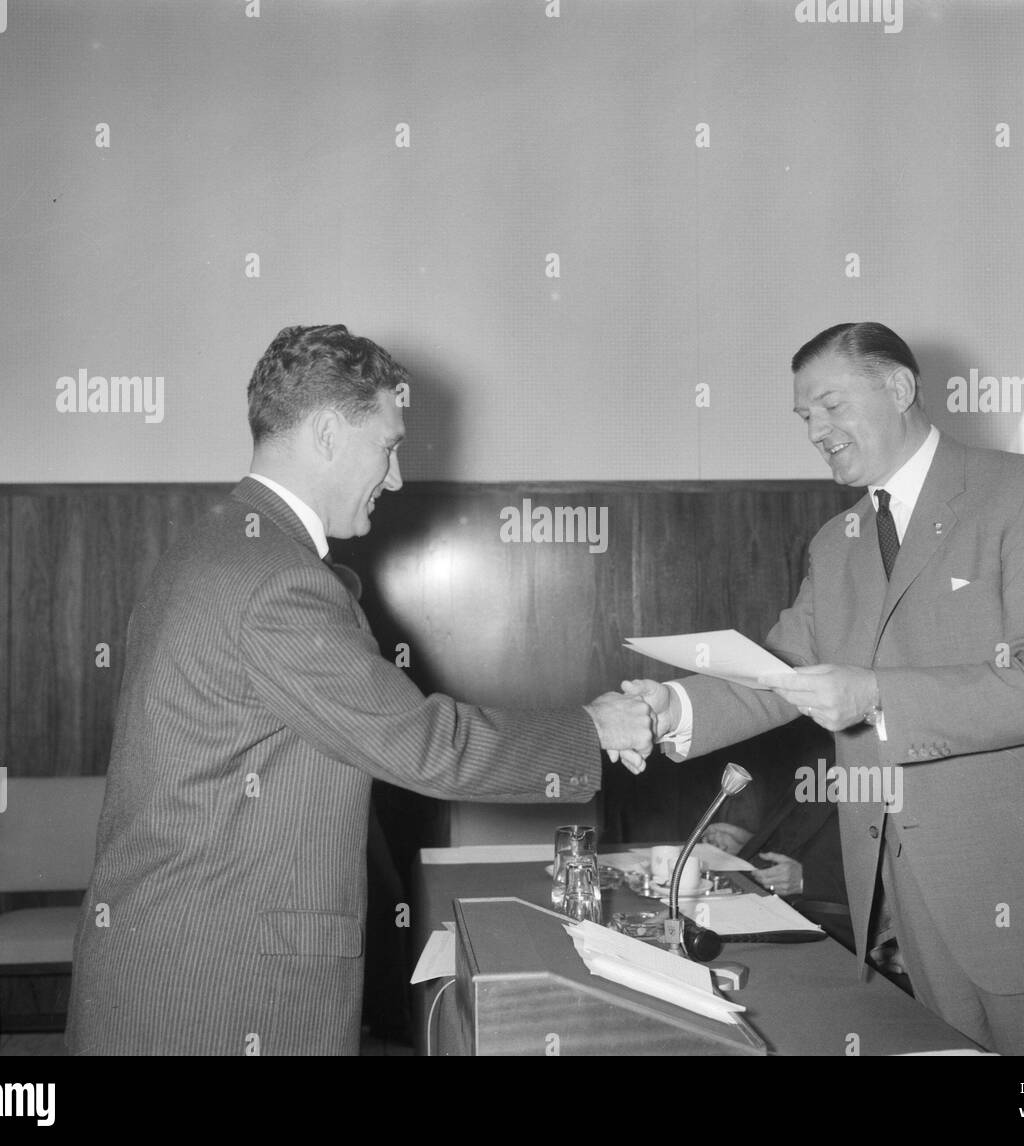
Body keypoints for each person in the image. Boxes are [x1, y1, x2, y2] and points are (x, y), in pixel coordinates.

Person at [65, 323, 653, 1055]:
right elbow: (423, 745)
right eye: (390, 445)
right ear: (325, 434)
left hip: (175, 952)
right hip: (221, 982)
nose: (397, 477)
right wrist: (593, 729)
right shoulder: (278, 580)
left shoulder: (218, 543)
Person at [625, 322, 1024, 1056]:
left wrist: (876, 694)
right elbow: (779, 672)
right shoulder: (835, 544)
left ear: (899, 387)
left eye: (829, 406)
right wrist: (675, 709)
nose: (816, 430)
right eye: (803, 418)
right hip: (920, 905)